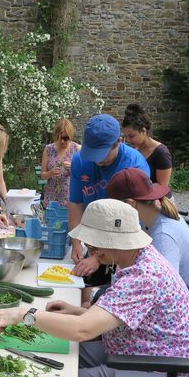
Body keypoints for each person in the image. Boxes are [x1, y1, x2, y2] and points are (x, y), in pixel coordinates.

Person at [0, 199, 189, 377]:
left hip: (162, 372)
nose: (92, 251)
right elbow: (118, 315)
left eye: (95, 246)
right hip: (139, 350)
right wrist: (77, 311)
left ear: (114, 241)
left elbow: (82, 331)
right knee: (53, 350)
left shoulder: (143, 275)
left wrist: (24, 314)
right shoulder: (139, 257)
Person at [68, 114, 150, 305]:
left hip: (121, 244)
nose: (97, 161)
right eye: (92, 154)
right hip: (95, 237)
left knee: (112, 295)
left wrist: (98, 257)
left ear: (118, 142)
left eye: (102, 155)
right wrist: (76, 242)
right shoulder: (80, 160)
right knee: (82, 286)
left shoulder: (134, 165)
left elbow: (127, 225)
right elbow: (76, 203)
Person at [106, 168, 189, 299]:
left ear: (130, 204)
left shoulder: (164, 236)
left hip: (185, 301)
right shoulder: (151, 217)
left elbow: (163, 287)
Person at [121, 103, 173, 187]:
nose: (128, 140)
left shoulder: (161, 152)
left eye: (131, 136)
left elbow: (162, 185)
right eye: (125, 136)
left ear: (143, 131)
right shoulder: (134, 150)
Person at [40, 118, 81, 208]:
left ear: (70, 136)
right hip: (51, 199)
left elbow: (85, 175)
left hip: (71, 199)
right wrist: (50, 173)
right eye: (59, 138)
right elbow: (42, 175)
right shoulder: (48, 149)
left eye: (65, 138)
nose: (62, 141)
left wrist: (74, 168)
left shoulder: (77, 149)